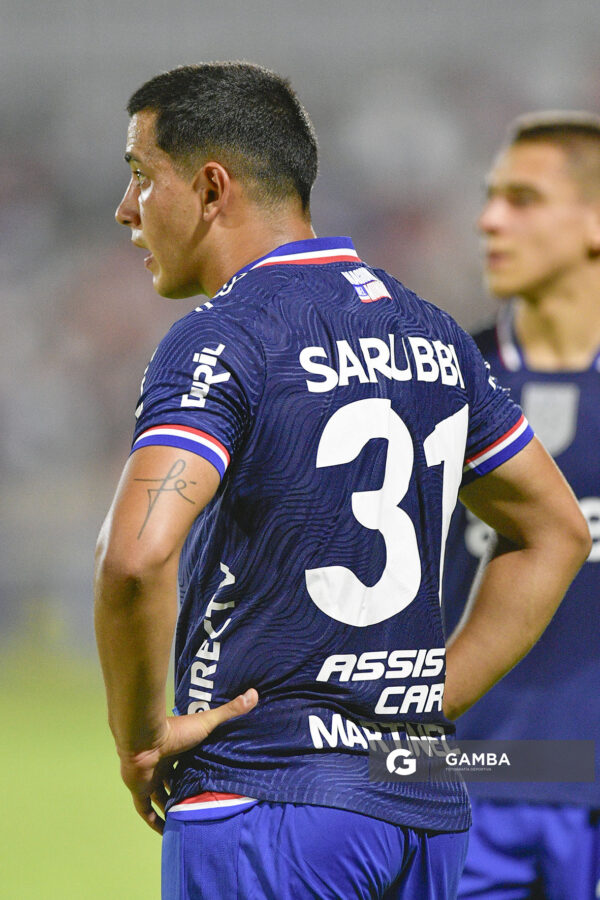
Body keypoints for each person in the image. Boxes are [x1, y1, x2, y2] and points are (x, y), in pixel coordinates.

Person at [93, 64, 590, 900]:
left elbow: (136, 558)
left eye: (143, 177)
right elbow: (558, 531)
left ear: (212, 187)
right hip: (423, 805)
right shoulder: (432, 332)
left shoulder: (222, 338)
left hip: (270, 796)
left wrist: (143, 738)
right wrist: (430, 696)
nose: (126, 208)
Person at [443, 112, 600, 899]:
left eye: (523, 198)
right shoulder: (434, 383)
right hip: (457, 784)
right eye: (489, 197)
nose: (489, 219)